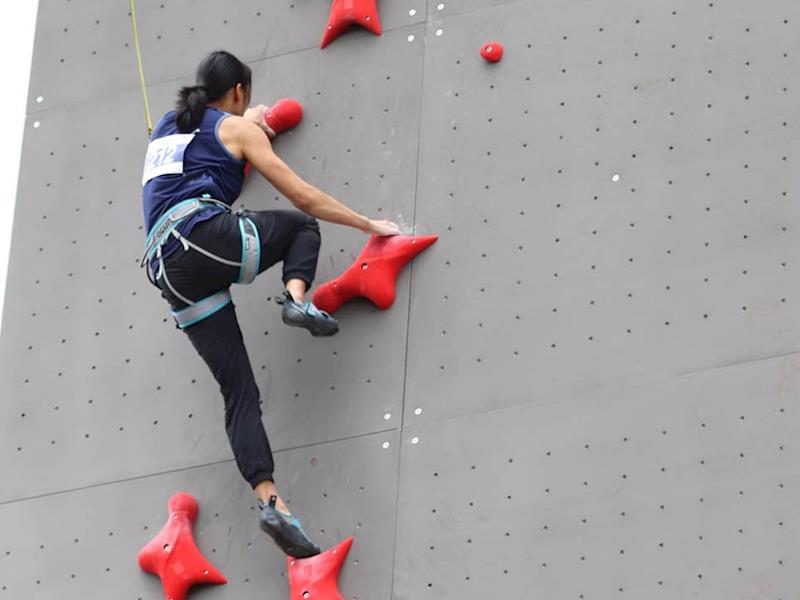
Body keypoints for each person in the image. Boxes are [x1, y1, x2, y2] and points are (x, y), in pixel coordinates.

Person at [139, 50, 400, 558]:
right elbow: (302, 197)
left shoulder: (168, 127)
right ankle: (297, 300)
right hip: (201, 238)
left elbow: (204, 143)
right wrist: (370, 225)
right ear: (238, 91)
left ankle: (272, 503)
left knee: (238, 392)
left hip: (167, 271)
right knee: (301, 227)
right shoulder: (237, 131)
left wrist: (246, 123)